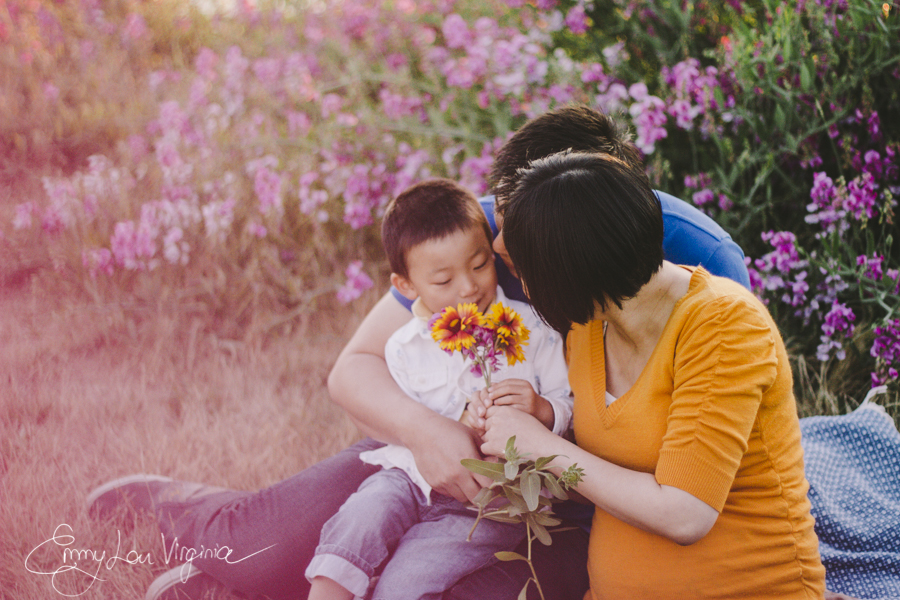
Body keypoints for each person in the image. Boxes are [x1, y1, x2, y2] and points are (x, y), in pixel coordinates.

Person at [86, 105, 750, 600]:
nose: (509, 272)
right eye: (504, 248)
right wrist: (429, 433)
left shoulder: (705, 270)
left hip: (569, 499)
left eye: (526, 254)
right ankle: (195, 516)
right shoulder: (478, 237)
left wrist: (544, 434)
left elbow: (696, 466)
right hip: (430, 456)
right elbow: (355, 368)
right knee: (262, 547)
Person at [474, 150, 826, 599]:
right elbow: (603, 480)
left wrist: (541, 446)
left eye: (525, 271)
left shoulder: (724, 324)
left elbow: (686, 514)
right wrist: (525, 441)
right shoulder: (587, 326)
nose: (521, 284)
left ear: (567, 274)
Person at [305, 178, 573, 600]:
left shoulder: (532, 329)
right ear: (407, 286)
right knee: (360, 519)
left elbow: (567, 403)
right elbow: (403, 423)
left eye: (480, 265)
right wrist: (453, 423)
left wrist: (541, 409)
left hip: (487, 500)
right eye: (444, 280)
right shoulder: (405, 346)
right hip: (411, 477)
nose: (468, 288)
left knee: (410, 579)